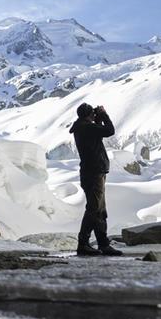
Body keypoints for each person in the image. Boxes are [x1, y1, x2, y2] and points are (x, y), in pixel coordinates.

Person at [68, 102, 123, 256]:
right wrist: (104, 115)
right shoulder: (87, 127)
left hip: (91, 173)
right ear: (88, 115)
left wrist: (96, 119)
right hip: (94, 173)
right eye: (92, 113)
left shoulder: (83, 127)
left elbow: (98, 133)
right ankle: (83, 243)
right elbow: (109, 130)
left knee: (99, 210)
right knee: (94, 209)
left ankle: (103, 244)